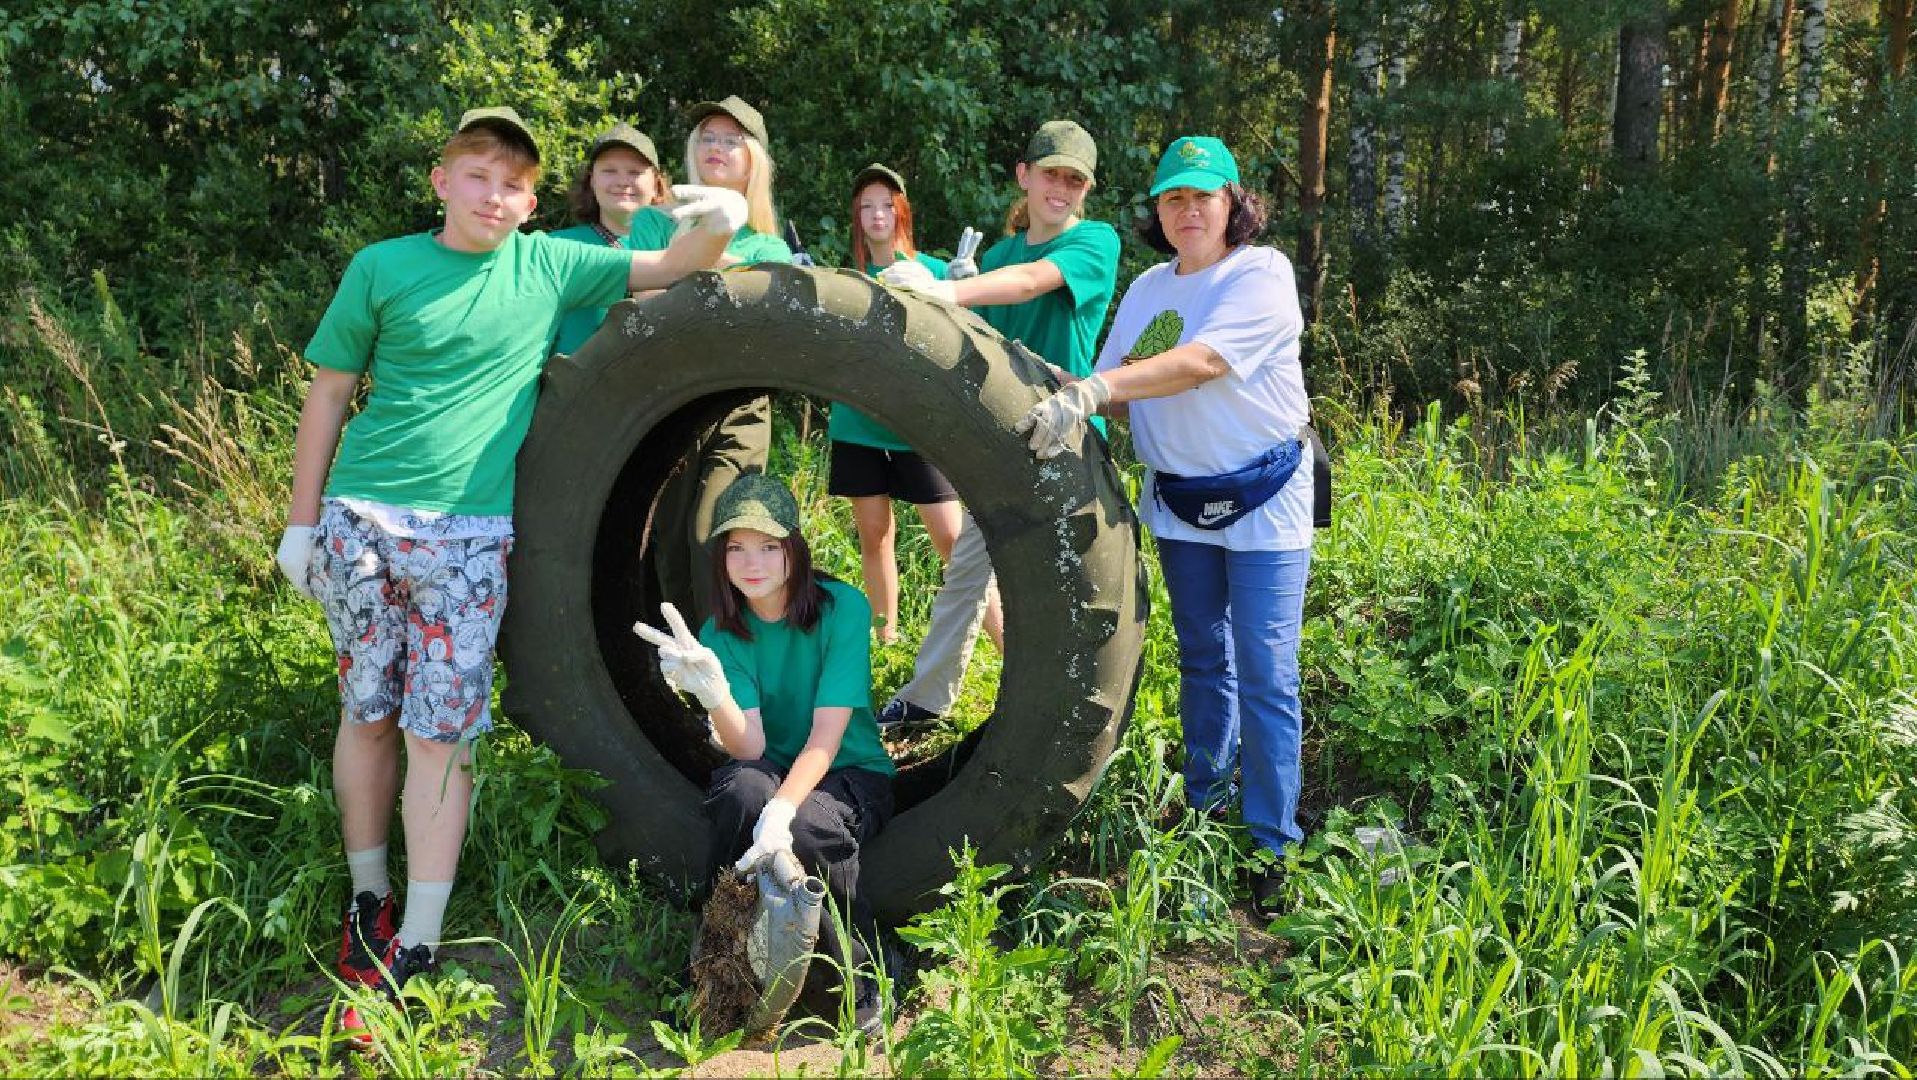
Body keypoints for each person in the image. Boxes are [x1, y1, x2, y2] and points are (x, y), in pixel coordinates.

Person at [271, 106, 745, 1045]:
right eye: (479, 174)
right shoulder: (383, 267)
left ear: (533, 202)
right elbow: (329, 392)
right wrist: (300, 522)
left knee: (440, 736)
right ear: (442, 180)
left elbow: (674, 268)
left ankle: (418, 937)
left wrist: (721, 220)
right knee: (367, 714)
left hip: (470, 539)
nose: (496, 195)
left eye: (516, 183)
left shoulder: (553, 263)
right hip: (363, 519)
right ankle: (369, 894)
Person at [1015, 136, 1310, 918]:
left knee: (1266, 671)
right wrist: (1046, 381)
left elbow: (1203, 362)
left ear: (1232, 202)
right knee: (1204, 660)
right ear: (1157, 209)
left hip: (1264, 501)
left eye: (1202, 196)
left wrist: (1098, 386)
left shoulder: (1258, 274)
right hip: (1181, 502)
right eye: (1173, 197)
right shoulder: (1150, 288)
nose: (1187, 210)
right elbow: (1112, 387)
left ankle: (1272, 842)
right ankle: (1209, 812)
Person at [873, 120, 1120, 726]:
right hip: (1004, 437)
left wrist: (954, 292)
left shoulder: (1095, 242)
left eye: (1074, 180)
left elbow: (1031, 283)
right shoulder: (1001, 252)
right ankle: (928, 698)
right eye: (1050, 174)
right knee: (968, 567)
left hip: (1067, 436)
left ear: (1085, 189)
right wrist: (958, 297)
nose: (1060, 189)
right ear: (1024, 175)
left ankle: (1078, 709)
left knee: (1065, 581)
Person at [633, 474, 895, 1035]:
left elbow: (825, 740)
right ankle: (719, 961)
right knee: (740, 793)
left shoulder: (842, 609)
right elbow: (748, 747)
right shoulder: (722, 632)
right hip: (774, 766)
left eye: (769, 546)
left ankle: (861, 973)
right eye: (737, 548)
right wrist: (716, 694)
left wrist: (781, 811)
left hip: (848, 772)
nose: (752, 563)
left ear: (793, 548)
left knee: (801, 824)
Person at [638, 96, 794, 627]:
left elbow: (759, 320)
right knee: (670, 541)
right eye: (708, 137)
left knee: (716, 537)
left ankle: (730, 674)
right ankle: (684, 671)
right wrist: (702, 253)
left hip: (738, 404)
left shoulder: (768, 245)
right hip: (668, 398)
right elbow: (641, 303)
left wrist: (699, 259)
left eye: (732, 140)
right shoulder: (653, 227)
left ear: (753, 158)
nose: (718, 148)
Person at [832, 163, 965, 643]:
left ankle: (1005, 644)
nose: (876, 214)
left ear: (902, 211)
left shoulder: (933, 273)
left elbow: (962, 343)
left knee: (954, 540)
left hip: (918, 427)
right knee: (874, 534)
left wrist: (963, 293)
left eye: (886, 204)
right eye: (866, 206)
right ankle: (886, 641)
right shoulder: (845, 277)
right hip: (857, 426)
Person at [550, 121, 672, 355]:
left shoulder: (680, 252)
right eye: (609, 170)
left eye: (635, 172)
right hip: (575, 387)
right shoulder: (556, 247)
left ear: (656, 185)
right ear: (592, 180)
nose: (622, 181)